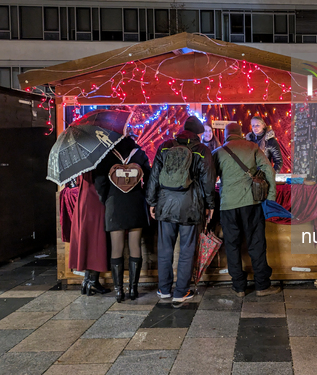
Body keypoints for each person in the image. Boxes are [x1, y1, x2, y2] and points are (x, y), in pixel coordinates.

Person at [146, 116, 216, 307]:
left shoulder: (166, 146)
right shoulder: (202, 150)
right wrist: (210, 205)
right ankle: (181, 291)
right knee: (186, 249)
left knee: (165, 248)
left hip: (165, 205)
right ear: (199, 133)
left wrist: (152, 201)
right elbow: (208, 182)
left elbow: (154, 176)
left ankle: (164, 289)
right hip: (190, 206)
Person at [213, 122, 280, 297]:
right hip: (251, 204)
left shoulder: (218, 153)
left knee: (232, 246)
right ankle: (262, 286)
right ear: (241, 133)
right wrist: (271, 197)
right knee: (256, 243)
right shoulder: (252, 147)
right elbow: (269, 171)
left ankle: (239, 287)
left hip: (228, 205)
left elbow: (208, 178)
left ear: (226, 134)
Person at [94, 135, 151, 302]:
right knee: (135, 246)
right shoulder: (139, 154)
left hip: (115, 204)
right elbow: (149, 178)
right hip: (136, 203)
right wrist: (143, 195)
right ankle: (133, 289)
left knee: (116, 248)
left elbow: (100, 182)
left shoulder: (107, 155)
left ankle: (119, 291)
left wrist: (107, 198)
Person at [69, 172, 111, 296]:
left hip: (84, 197)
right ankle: (92, 281)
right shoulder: (97, 157)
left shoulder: (83, 157)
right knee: (96, 239)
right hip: (95, 198)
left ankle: (87, 281)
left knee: (88, 238)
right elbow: (101, 180)